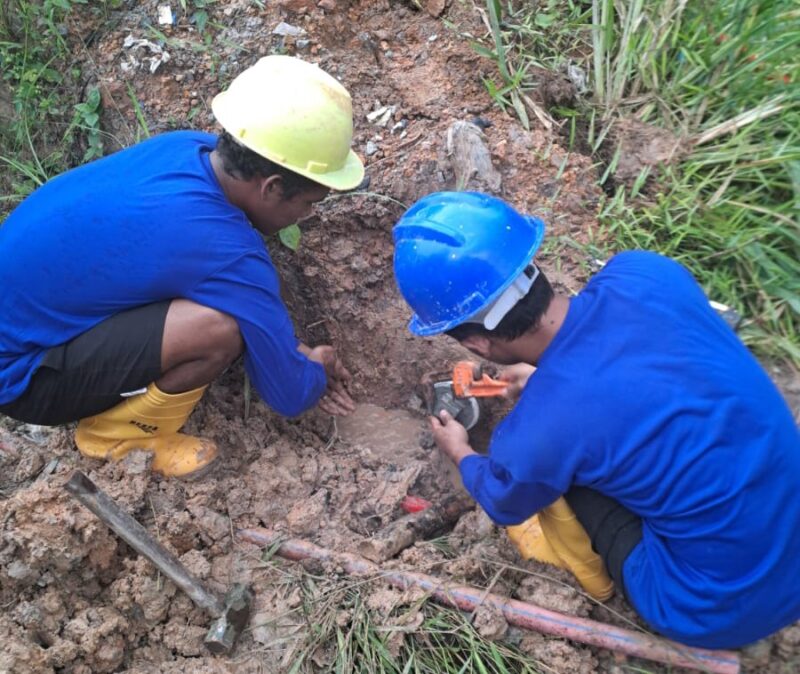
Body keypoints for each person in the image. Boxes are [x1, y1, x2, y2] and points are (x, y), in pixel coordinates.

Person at [392, 191, 800, 649]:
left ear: (478, 345)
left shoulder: (540, 431)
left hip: (711, 607)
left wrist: (461, 452)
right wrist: (549, 374)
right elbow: (627, 352)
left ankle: (607, 586)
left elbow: (506, 501)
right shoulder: (645, 272)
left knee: (566, 479)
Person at [0, 55, 363, 479]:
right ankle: (115, 436)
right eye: (308, 203)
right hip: (21, 376)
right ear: (273, 186)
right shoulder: (225, 249)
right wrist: (315, 369)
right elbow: (289, 394)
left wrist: (293, 352)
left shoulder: (184, 147)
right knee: (218, 330)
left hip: (25, 322)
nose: (307, 216)